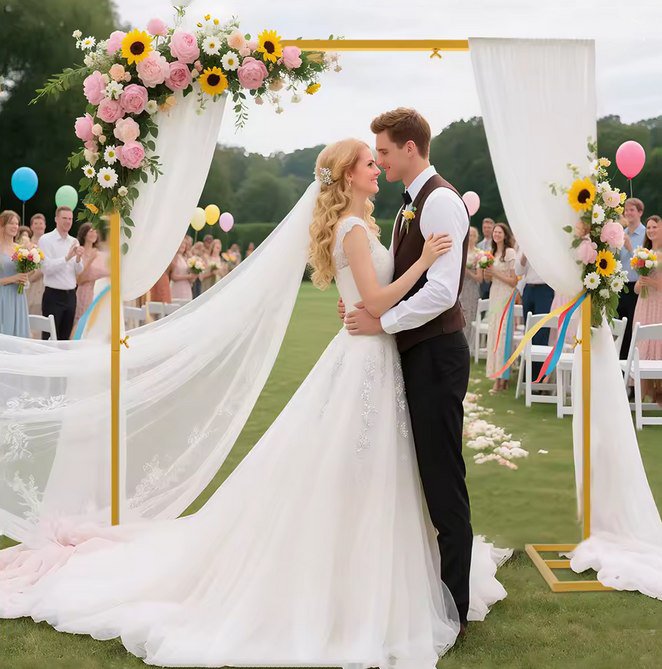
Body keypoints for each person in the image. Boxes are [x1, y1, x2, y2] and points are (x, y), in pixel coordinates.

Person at [0, 137, 509, 668]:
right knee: (358, 464)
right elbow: (378, 300)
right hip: (367, 354)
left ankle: (376, 568)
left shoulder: (363, 226)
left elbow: (365, 296)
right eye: (368, 163)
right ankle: (351, 579)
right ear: (347, 175)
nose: (377, 168)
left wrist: (365, 300)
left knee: (375, 467)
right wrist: (423, 261)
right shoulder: (354, 230)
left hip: (374, 353)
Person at [340, 108, 475, 629]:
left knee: (443, 478)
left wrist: (383, 323)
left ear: (410, 148)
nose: (380, 161)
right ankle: (429, 589)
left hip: (437, 355)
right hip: (414, 354)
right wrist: (364, 305)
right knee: (423, 475)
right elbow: (397, 278)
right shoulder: (407, 206)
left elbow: (442, 293)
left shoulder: (439, 202)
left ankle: (455, 606)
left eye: (385, 152)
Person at [479, 222, 517, 392]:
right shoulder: (491, 253)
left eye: (499, 232)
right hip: (494, 294)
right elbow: (489, 279)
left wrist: (494, 272)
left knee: (502, 335)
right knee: (494, 334)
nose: (496, 234)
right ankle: (496, 375)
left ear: (505, 235)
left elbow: (513, 281)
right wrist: (487, 273)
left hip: (506, 296)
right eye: (495, 232)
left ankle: (502, 377)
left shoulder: (510, 253)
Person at [38, 206, 84, 340]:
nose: (68, 221)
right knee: (49, 338)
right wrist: (67, 258)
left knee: (65, 339)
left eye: (70, 219)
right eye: (64, 218)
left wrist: (78, 258)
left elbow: (79, 270)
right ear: (56, 219)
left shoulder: (74, 241)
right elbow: (46, 268)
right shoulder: (46, 240)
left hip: (71, 296)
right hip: (53, 295)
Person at [632, 214, 662, 404]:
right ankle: (641, 395)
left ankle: (658, 394)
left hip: (658, 305)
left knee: (657, 343)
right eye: (649, 227)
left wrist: (651, 282)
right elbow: (636, 288)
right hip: (643, 305)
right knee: (642, 344)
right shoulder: (643, 253)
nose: (650, 230)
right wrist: (641, 283)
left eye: (654, 227)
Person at [515, 247, 554, 379]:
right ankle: (528, 375)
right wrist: (524, 255)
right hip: (529, 289)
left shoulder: (547, 244)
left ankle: (539, 377)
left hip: (544, 289)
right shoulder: (524, 244)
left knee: (541, 332)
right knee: (529, 332)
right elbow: (518, 271)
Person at [618, 198, 647, 359]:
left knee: (632, 328)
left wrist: (630, 248)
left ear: (640, 212)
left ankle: (632, 365)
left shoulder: (646, 234)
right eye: (626, 210)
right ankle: (621, 366)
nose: (628, 213)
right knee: (620, 329)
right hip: (620, 287)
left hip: (636, 287)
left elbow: (645, 264)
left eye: (632, 210)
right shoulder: (620, 233)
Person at [72, 224, 109, 336]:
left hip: (99, 293)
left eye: (95, 232)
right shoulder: (79, 253)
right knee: (83, 325)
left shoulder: (101, 254)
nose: (94, 234)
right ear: (84, 234)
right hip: (84, 293)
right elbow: (78, 280)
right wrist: (90, 260)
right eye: (91, 231)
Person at [0, 210, 30, 337]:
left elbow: (23, 273)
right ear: (2, 225)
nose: (15, 226)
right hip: (3, 296)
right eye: (11, 223)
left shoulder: (19, 248)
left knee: (19, 336)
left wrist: (27, 273)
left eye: (17, 224)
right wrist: (13, 278)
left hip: (19, 297)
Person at [461, 225, 481, 355]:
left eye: (473, 235)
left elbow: (479, 278)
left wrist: (467, 272)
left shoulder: (479, 254)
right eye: (469, 235)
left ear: (477, 238)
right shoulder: (461, 250)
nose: (471, 237)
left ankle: (468, 347)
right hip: (460, 287)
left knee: (469, 317)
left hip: (471, 288)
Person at [27, 213, 47, 316]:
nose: (39, 226)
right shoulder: (26, 246)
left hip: (46, 285)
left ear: (45, 226)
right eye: (36, 223)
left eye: (41, 223)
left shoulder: (49, 244)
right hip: (31, 285)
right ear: (31, 227)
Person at [477, 217, 494, 299]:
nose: (486, 229)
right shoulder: (478, 245)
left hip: (493, 277)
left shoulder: (495, 244)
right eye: (485, 227)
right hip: (481, 280)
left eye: (489, 228)